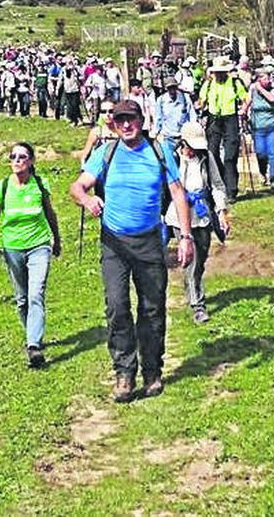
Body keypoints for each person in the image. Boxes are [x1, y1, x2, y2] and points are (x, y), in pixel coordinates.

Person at [69, 99, 193, 403]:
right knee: (117, 306)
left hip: (149, 241)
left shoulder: (159, 151)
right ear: (113, 124)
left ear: (141, 121)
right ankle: (124, 372)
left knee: (152, 307)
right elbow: (77, 186)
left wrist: (186, 237)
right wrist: (87, 199)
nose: (126, 125)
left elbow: (178, 193)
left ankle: (152, 371)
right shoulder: (106, 152)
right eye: (120, 120)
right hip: (114, 243)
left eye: (131, 119)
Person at [0, 141, 63, 366]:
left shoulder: (40, 184)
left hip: (39, 245)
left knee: (36, 294)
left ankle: (34, 345)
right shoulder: (3, 186)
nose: (17, 160)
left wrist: (56, 239)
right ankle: (31, 334)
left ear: (31, 161)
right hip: (12, 247)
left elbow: (50, 213)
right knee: (22, 299)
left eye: (22, 156)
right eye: (13, 157)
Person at [169, 124, 230, 324]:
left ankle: (191, 286)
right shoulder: (173, 158)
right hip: (179, 215)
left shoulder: (206, 157)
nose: (193, 150)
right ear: (183, 142)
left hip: (202, 214)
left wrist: (221, 211)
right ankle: (198, 305)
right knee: (192, 259)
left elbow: (217, 185)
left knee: (201, 258)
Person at [199, 57, 248, 202]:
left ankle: (231, 190)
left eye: (221, 72)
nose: (218, 74)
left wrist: (243, 110)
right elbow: (202, 101)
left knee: (230, 156)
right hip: (214, 119)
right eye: (217, 72)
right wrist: (200, 107)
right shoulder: (208, 84)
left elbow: (246, 98)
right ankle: (220, 183)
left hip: (230, 119)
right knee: (212, 153)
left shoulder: (234, 83)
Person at [246, 68, 274, 188]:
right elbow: (248, 101)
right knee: (260, 153)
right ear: (259, 79)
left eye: (269, 78)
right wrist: (243, 110)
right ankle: (263, 172)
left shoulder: (273, 89)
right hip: (258, 126)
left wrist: (261, 89)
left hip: (272, 125)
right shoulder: (252, 89)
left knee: (273, 153)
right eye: (265, 79)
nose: (268, 81)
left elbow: (272, 99)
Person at [153, 75, 196, 148]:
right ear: (166, 89)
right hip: (168, 137)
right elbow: (158, 118)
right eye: (170, 88)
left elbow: (192, 116)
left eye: (174, 87)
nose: (172, 90)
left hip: (183, 137)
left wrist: (192, 130)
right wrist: (156, 133)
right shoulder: (161, 100)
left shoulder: (185, 98)